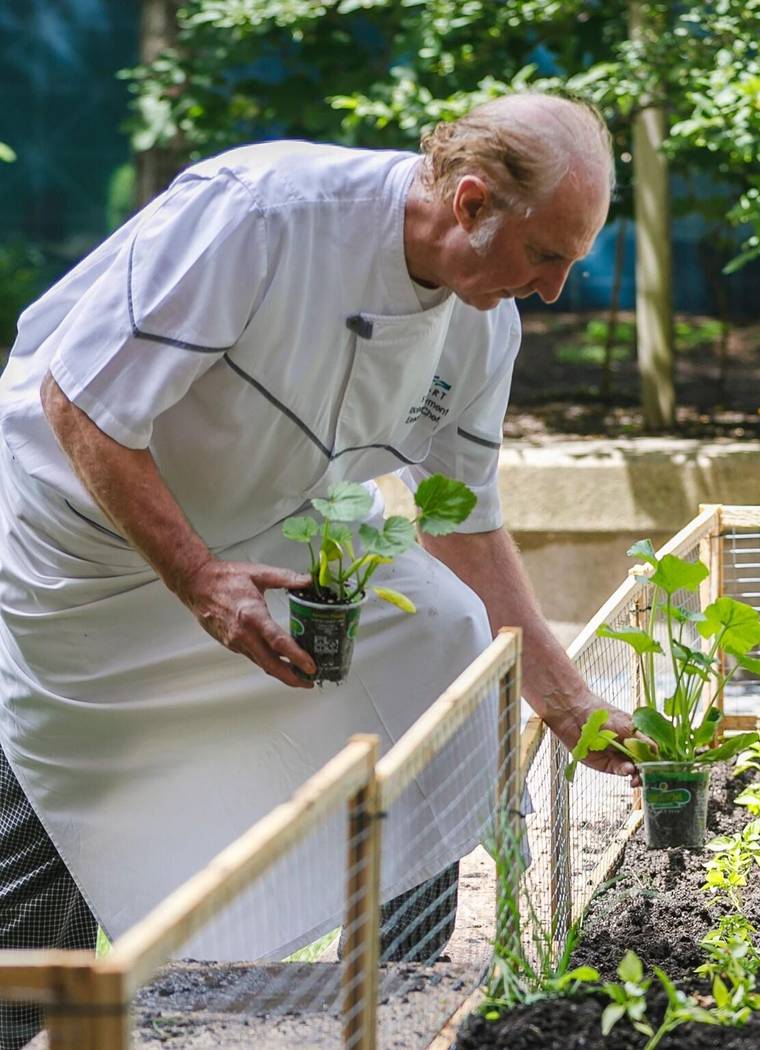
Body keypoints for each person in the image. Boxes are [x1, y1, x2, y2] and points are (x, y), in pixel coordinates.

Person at [0, 92, 635, 1048]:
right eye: (547, 255)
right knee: (48, 822)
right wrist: (201, 579)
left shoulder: (482, 323)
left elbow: (461, 519)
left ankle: (397, 1005)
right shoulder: (262, 212)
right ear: (470, 205)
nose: (553, 290)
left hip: (266, 533)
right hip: (81, 546)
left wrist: (564, 698)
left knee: (445, 642)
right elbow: (80, 404)